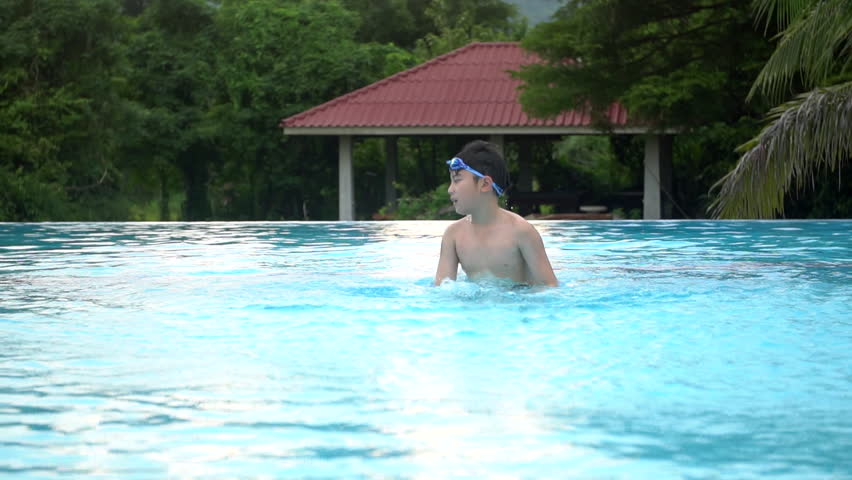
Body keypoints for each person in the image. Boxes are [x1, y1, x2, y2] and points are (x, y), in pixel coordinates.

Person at [434, 140, 558, 287]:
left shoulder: (521, 232)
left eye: (457, 181)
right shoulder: (453, 235)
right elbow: (442, 290)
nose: (450, 189)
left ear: (485, 184)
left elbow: (549, 288)